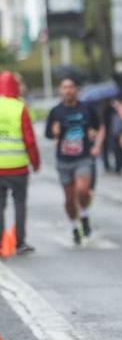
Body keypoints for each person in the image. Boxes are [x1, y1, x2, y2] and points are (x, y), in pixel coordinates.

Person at [45, 74, 103, 245]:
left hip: (83, 156)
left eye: (71, 87)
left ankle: (84, 215)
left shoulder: (86, 108)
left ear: (77, 90)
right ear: (60, 90)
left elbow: (99, 127)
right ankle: (73, 226)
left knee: (82, 190)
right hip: (64, 159)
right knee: (69, 200)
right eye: (65, 87)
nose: (68, 90)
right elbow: (48, 134)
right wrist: (54, 132)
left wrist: (96, 142)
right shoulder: (56, 111)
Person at [0, 71, 39, 255]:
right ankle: (20, 242)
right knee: (20, 204)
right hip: (18, 168)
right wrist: (35, 162)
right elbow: (29, 139)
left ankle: (0, 242)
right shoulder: (19, 107)